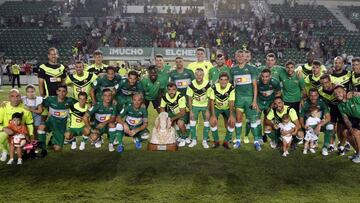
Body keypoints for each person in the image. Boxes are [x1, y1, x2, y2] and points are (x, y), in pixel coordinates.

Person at [229, 50, 261, 150]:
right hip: (238, 99)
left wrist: (255, 100)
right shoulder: (233, 70)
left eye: (242, 56)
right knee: (238, 120)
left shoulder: (252, 69)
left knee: (253, 121)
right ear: (236, 57)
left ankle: (256, 142)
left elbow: (255, 86)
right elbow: (232, 86)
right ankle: (238, 140)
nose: (240, 58)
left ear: (245, 57)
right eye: (238, 56)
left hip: (249, 99)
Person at [37, 85, 77, 154]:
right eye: (59, 91)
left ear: (66, 92)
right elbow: (40, 103)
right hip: (51, 122)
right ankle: (43, 148)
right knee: (41, 127)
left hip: (61, 126)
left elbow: (80, 106)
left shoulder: (70, 101)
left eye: (64, 91)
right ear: (57, 92)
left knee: (57, 149)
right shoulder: (50, 99)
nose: (61, 93)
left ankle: (52, 140)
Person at [0, 89, 33, 162]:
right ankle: (4, 151)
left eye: (17, 96)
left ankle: (13, 151)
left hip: (20, 134)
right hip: (7, 133)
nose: (15, 99)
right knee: (2, 135)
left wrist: (31, 135)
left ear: (20, 97)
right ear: (9, 97)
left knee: (20, 147)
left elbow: (29, 124)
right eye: (12, 96)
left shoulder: (25, 108)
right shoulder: (4, 106)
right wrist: (3, 128)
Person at [299, 88, 332, 156]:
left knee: (330, 126)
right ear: (309, 96)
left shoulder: (322, 102)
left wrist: (319, 125)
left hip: (319, 123)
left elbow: (328, 117)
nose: (313, 97)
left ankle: (325, 148)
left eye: (315, 95)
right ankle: (312, 141)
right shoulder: (304, 103)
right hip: (309, 126)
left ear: (318, 95)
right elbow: (301, 118)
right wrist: (303, 126)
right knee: (307, 145)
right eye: (311, 95)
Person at [319, 74, 345, 154]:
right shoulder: (320, 91)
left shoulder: (338, 87)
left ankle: (342, 146)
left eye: (326, 82)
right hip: (332, 110)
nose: (324, 85)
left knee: (341, 129)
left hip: (342, 109)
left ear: (330, 81)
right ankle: (331, 145)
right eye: (322, 83)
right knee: (331, 128)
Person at [333, 85, 360, 163]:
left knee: (356, 133)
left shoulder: (354, 98)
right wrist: (350, 127)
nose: (337, 94)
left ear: (345, 92)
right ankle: (358, 152)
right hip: (356, 120)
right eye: (335, 94)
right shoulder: (340, 105)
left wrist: (355, 93)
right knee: (345, 133)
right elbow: (346, 119)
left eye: (339, 92)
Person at [209, 72, 236, 149]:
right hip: (217, 107)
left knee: (232, 122)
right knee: (212, 121)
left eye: (225, 80)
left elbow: (231, 102)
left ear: (228, 81)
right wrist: (213, 115)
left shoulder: (231, 88)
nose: (223, 82)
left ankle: (226, 141)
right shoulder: (214, 87)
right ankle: (216, 141)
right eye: (221, 80)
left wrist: (231, 115)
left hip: (227, 108)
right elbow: (212, 101)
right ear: (219, 80)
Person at [186, 68, 211, 148]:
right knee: (192, 122)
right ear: (195, 75)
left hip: (205, 106)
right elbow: (189, 98)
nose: (199, 76)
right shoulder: (191, 84)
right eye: (197, 74)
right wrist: (191, 111)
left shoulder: (208, 84)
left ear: (203, 75)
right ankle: (193, 140)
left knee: (206, 123)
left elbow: (210, 98)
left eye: (201, 75)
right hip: (195, 105)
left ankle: (204, 141)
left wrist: (207, 110)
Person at [160, 83, 189, 147]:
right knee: (165, 121)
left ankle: (184, 138)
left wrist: (172, 119)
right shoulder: (165, 97)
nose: (171, 91)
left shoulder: (180, 97)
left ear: (176, 90)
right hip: (174, 112)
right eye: (169, 90)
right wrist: (164, 117)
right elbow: (162, 108)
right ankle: (176, 136)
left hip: (185, 113)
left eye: (173, 89)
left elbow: (182, 112)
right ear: (167, 90)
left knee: (180, 123)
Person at [257, 69, 281, 142]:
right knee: (256, 120)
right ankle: (258, 137)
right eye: (263, 76)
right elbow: (255, 92)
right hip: (260, 101)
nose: (264, 78)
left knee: (267, 119)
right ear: (261, 76)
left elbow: (278, 92)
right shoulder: (257, 82)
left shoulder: (275, 82)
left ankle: (265, 135)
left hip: (270, 102)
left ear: (270, 76)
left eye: (267, 76)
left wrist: (273, 103)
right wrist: (256, 103)